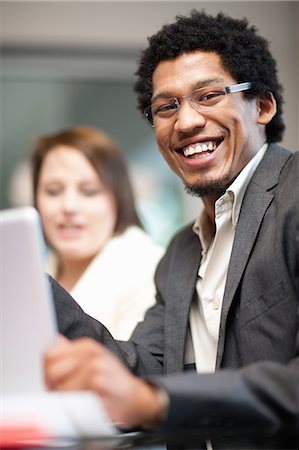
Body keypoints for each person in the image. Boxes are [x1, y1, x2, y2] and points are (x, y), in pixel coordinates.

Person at [44, 11, 298, 449]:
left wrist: (159, 402)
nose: (185, 122)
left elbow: (154, 396)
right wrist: (30, 289)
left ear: (262, 106)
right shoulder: (180, 254)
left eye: (209, 95)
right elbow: (143, 371)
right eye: (167, 106)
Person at [31, 125, 164, 340]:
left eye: (89, 191)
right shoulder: (37, 269)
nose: (69, 206)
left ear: (119, 198)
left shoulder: (150, 268)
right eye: (53, 191)